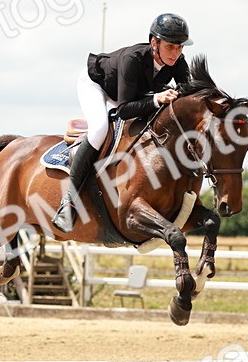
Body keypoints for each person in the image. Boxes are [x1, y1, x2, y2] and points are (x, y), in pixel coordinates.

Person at [53, 12, 193, 232]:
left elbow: (188, 93)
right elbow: (124, 110)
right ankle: (68, 203)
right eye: (170, 47)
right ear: (154, 43)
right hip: (98, 85)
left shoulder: (178, 61)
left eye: (180, 47)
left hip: (134, 92)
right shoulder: (133, 59)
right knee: (99, 129)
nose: (176, 53)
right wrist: (157, 99)